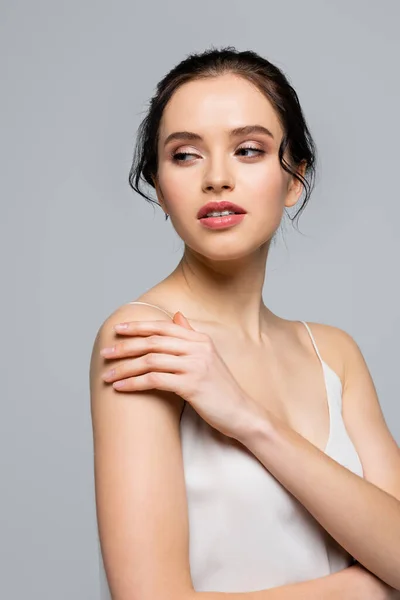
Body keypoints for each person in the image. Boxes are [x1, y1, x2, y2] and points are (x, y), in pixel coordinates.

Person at [89, 47, 400, 599]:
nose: (217, 178)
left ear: (295, 179)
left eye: (249, 150)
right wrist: (371, 590)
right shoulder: (144, 339)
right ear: (159, 188)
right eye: (185, 155)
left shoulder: (335, 354)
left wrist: (249, 420)